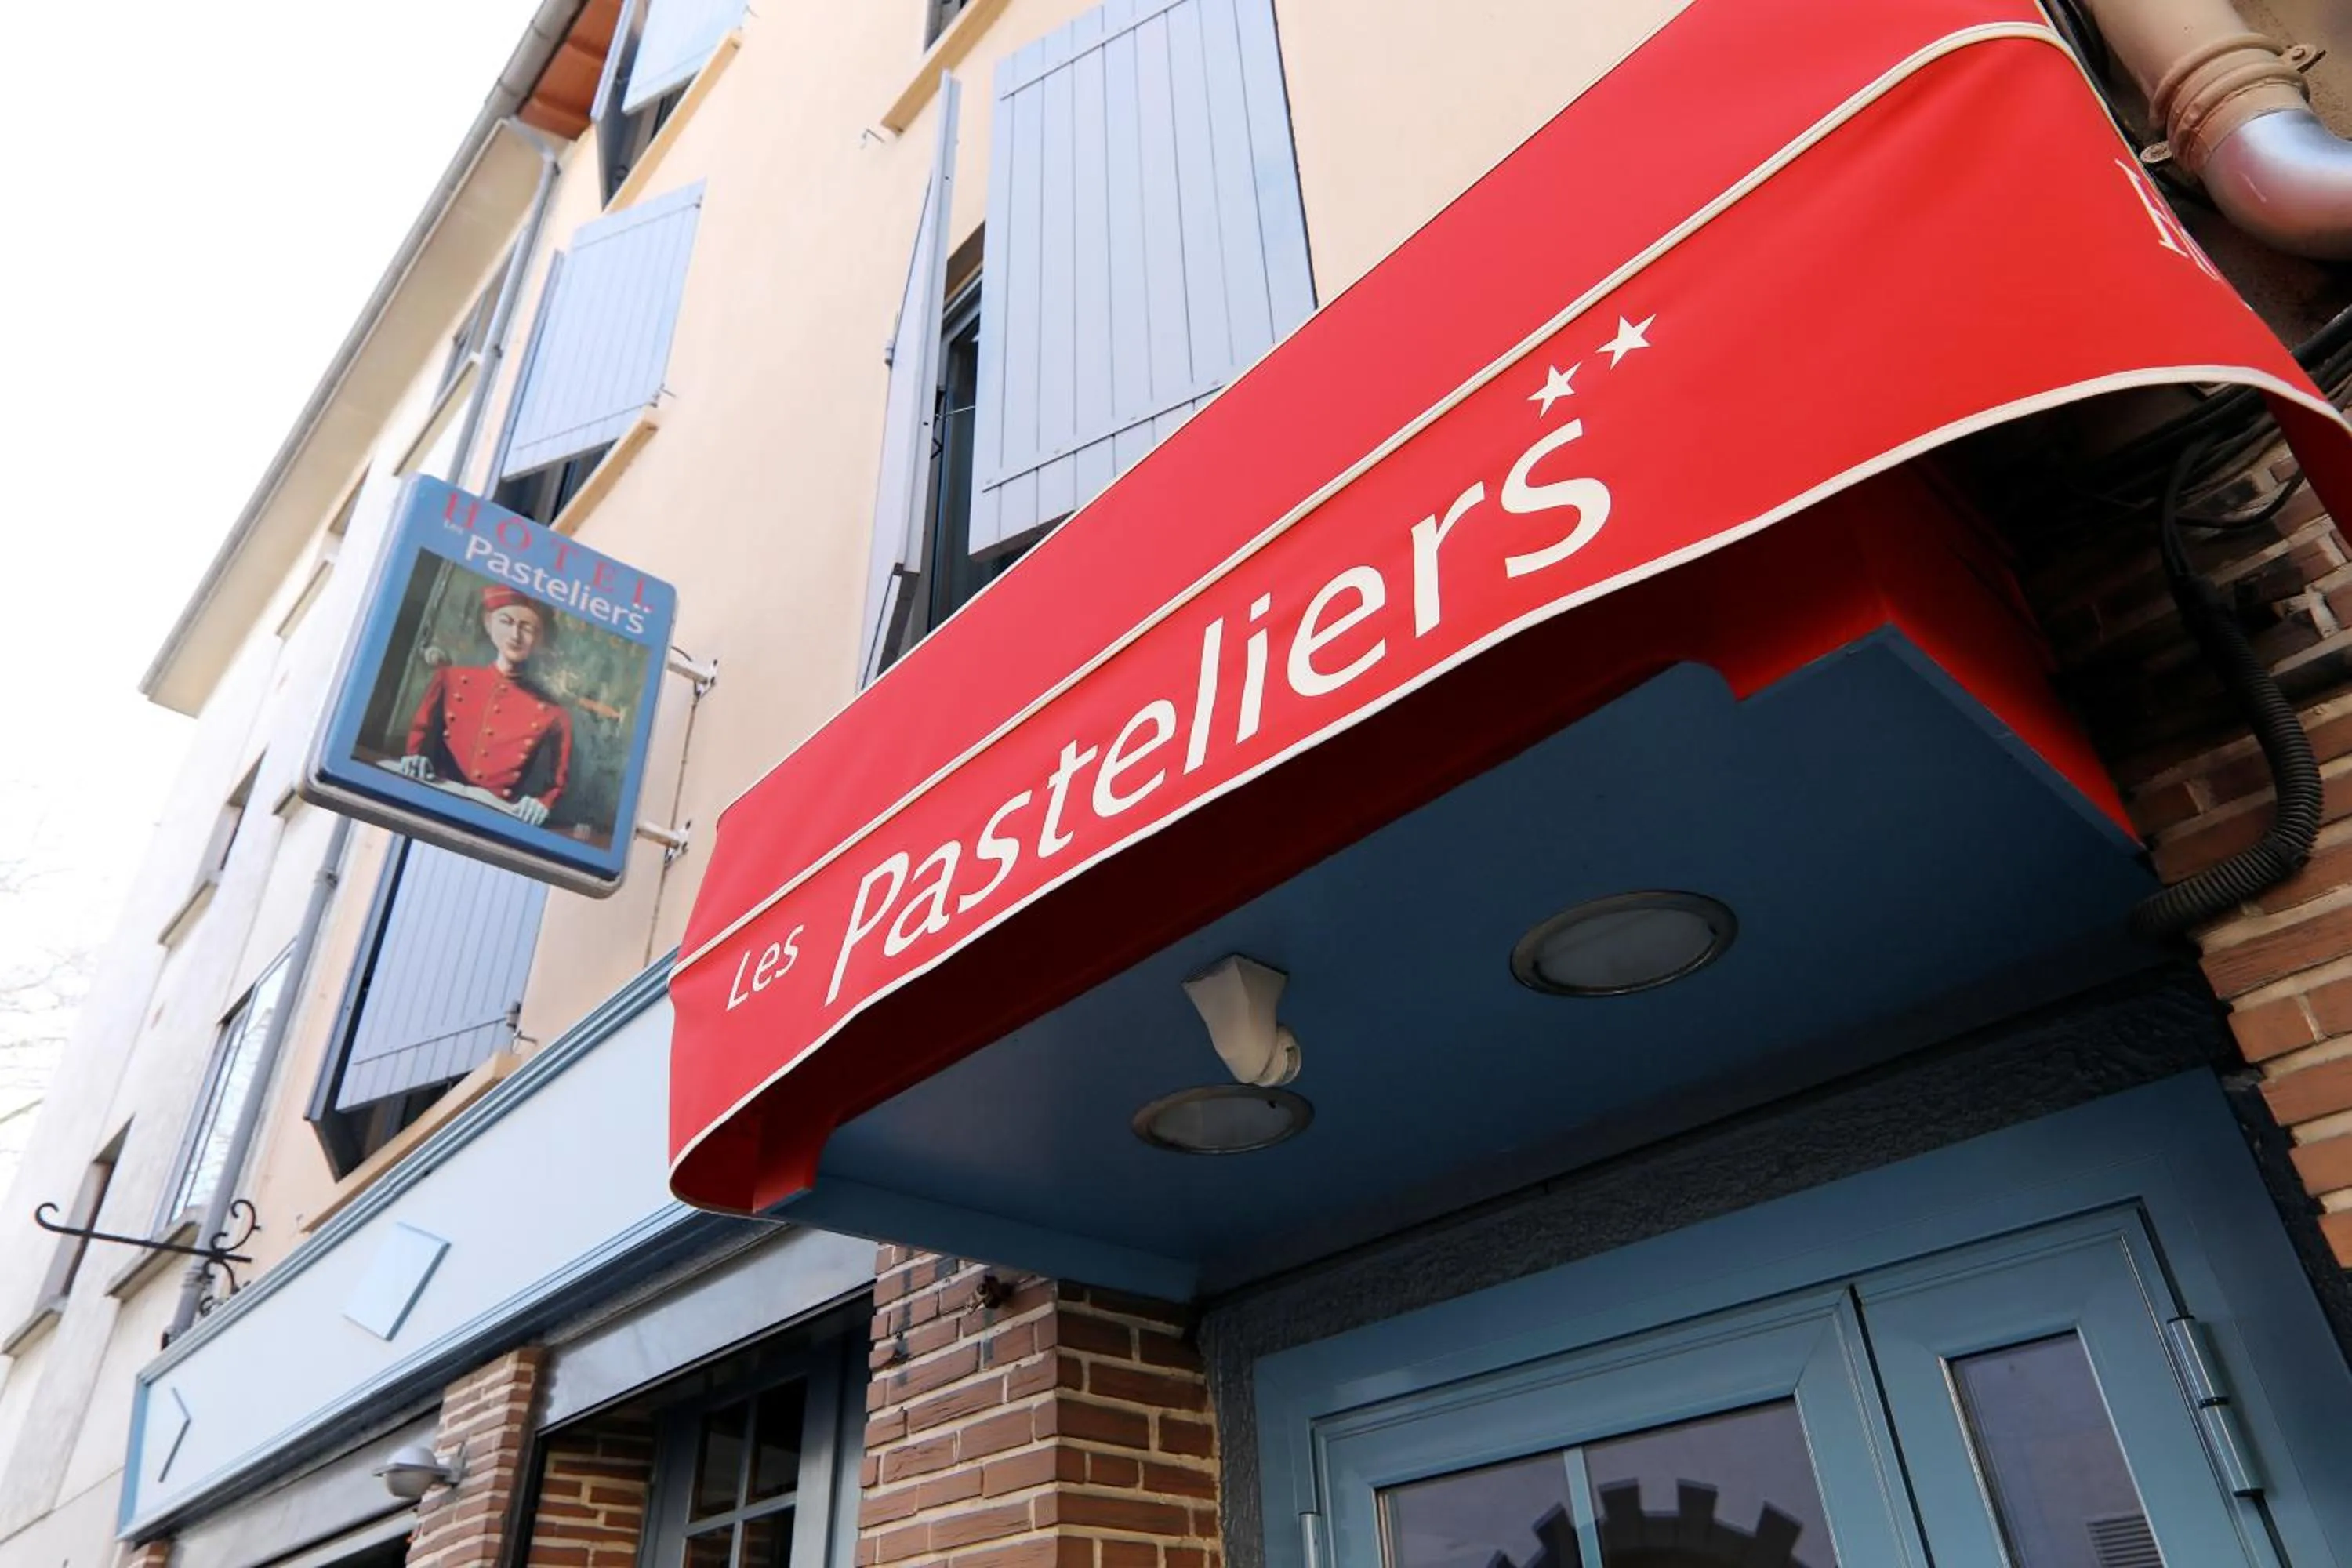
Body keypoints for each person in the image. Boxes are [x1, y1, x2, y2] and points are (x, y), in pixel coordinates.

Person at [395, 586, 572, 827]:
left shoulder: (554, 714)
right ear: (489, 624)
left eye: (527, 628)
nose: (515, 635)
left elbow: (557, 783)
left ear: (539, 639)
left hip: (495, 817)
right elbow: (420, 734)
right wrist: (415, 758)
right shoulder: (451, 678)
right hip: (433, 800)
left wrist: (543, 803)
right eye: (506, 622)